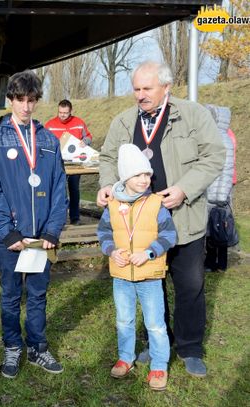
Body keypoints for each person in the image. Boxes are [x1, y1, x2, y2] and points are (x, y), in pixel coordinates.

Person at [96, 61, 225, 378]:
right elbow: (109, 158)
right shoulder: (124, 121)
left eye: (147, 89)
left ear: (166, 87)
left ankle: (190, 347)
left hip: (184, 220)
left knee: (189, 285)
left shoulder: (193, 115)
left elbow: (214, 156)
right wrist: (107, 185)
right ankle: (157, 343)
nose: (140, 95)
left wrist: (184, 189)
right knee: (150, 286)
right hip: (140, 227)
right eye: (136, 89)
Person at [0, 70, 68, 379]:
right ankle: (12, 347)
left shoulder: (48, 140)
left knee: (38, 293)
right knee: (10, 294)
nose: (27, 107)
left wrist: (52, 230)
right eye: (20, 100)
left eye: (32, 100)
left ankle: (37, 347)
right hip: (12, 237)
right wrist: (7, 232)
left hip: (40, 237)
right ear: (10, 100)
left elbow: (60, 188)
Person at [97, 144, 177, 391]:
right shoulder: (111, 204)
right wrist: (112, 251)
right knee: (124, 320)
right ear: (125, 177)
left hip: (149, 276)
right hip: (121, 276)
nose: (145, 180)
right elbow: (103, 233)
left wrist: (149, 252)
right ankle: (125, 358)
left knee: (155, 323)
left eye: (147, 174)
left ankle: (159, 365)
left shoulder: (156, 203)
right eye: (138, 175)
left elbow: (169, 235)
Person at [45, 99, 93, 225]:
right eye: (60, 112)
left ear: (70, 111)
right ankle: (58, 218)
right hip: (57, 164)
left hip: (75, 163)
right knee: (59, 191)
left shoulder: (79, 123)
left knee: (74, 190)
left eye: (65, 113)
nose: (62, 115)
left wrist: (85, 142)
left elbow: (88, 136)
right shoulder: (50, 125)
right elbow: (43, 141)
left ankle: (75, 217)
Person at [204, 105, 236, 272]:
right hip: (213, 189)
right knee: (212, 227)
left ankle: (219, 263)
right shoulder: (218, 137)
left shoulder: (222, 139)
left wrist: (221, 195)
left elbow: (227, 169)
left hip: (218, 192)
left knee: (219, 226)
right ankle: (212, 262)